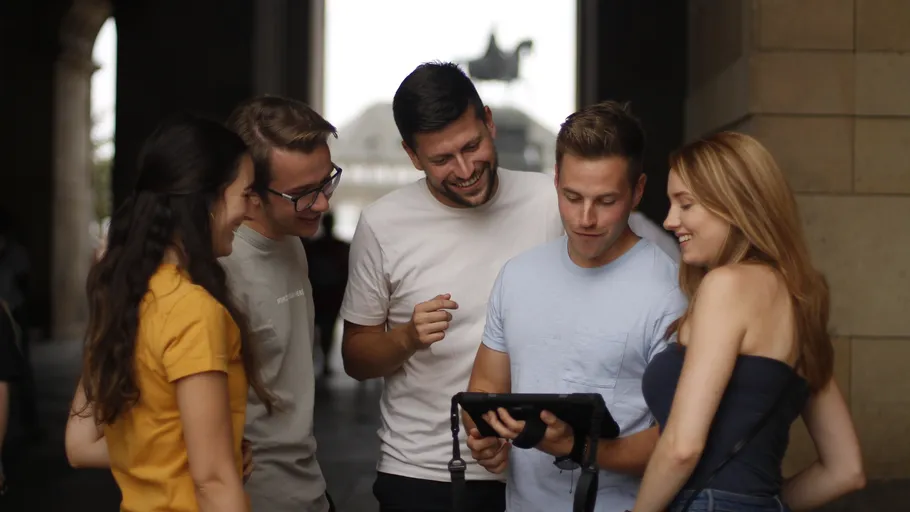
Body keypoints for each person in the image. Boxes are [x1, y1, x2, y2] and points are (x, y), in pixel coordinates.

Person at [340, 61, 564, 512]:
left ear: (489, 121)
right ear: (411, 154)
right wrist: (405, 336)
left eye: (472, 145)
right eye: (442, 159)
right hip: (425, 472)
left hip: (542, 463)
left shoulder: (551, 200)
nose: (465, 169)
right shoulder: (383, 224)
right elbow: (356, 359)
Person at [464, 101, 687, 512]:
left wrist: (577, 446)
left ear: (637, 191)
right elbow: (486, 387)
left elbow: (678, 439)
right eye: (571, 196)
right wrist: (486, 438)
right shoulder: (518, 276)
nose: (585, 217)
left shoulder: (670, 293)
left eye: (606, 201)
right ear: (556, 182)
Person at [633, 132, 866, 512]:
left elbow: (681, 448)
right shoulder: (798, 300)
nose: (670, 220)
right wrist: (760, 503)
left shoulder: (727, 286)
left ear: (735, 205)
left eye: (685, 204)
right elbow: (845, 470)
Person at [64, 113, 273, 512]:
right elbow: (212, 483)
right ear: (208, 199)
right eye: (245, 194)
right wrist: (214, 460)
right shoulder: (194, 311)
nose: (250, 209)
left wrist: (193, 453)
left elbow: (80, 445)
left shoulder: (125, 295)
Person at [221, 95, 338, 512]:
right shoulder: (217, 271)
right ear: (249, 191)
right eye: (304, 193)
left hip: (308, 489)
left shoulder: (293, 238)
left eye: (327, 181)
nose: (323, 204)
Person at [301, 212, 350, 377]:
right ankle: (323, 362)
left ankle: (317, 361)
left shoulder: (314, 247)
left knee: (316, 329)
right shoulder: (339, 247)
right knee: (326, 330)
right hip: (329, 294)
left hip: (320, 293)